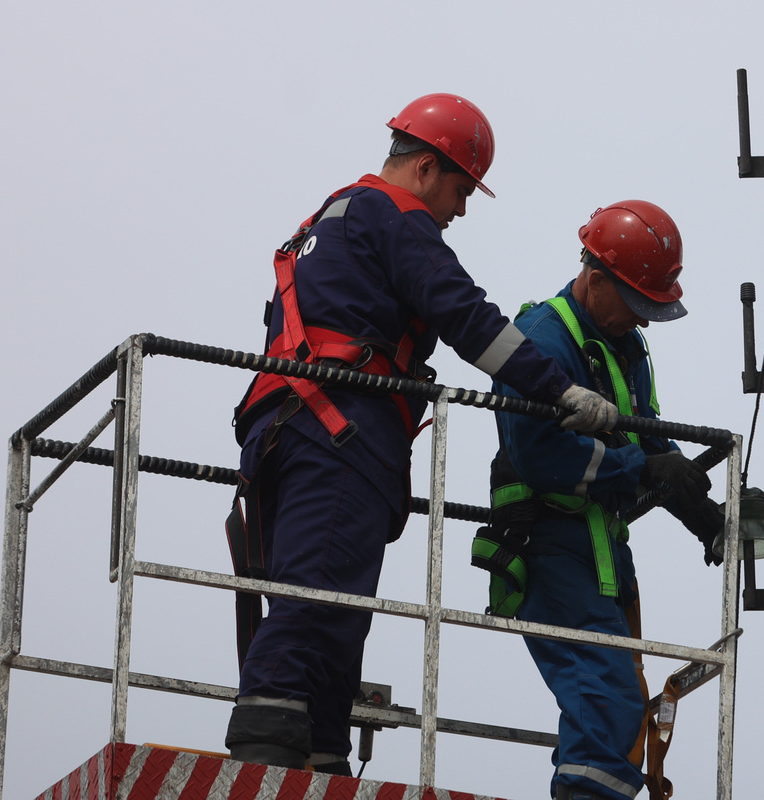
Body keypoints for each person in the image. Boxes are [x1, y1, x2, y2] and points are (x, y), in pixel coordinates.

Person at [223, 93, 618, 774]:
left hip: (288, 427)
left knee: (335, 599)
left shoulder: (330, 217)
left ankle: (321, 753)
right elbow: (466, 317)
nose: (460, 210)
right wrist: (559, 390)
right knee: (318, 594)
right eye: (461, 190)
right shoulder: (393, 215)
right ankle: (269, 742)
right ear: (427, 168)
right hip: (339, 429)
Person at [486, 201, 726, 800]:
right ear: (596, 281)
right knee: (607, 697)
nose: (643, 319)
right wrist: (644, 467)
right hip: (549, 544)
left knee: (612, 700)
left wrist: (702, 511)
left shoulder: (623, 343)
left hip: (601, 551)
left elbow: (646, 438)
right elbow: (539, 454)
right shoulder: (541, 338)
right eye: (638, 304)